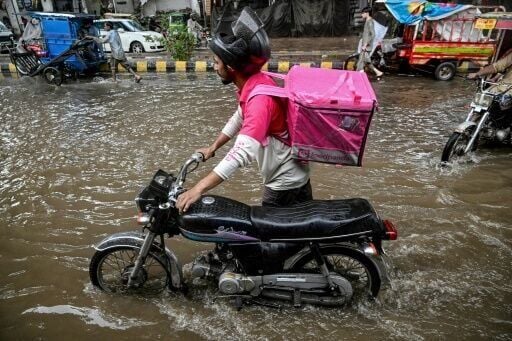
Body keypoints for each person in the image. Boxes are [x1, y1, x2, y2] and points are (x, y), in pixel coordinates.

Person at [176, 7, 312, 214]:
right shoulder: (258, 82)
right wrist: (213, 147)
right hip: (293, 173)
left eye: (216, 62)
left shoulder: (260, 99)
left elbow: (243, 152)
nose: (214, 67)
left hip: (284, 183)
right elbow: (239, 117)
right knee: (300, 234)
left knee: (268, 240)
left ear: (230, 67)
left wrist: (198, 188)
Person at [356, 6, 384, 80]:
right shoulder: (367, 21)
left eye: (362, 13)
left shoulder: (370, 21)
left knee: (361, 62)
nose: (361, 15)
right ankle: (378, 73)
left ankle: (359, 77)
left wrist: (365, 44)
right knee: (366, 61)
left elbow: (373, 34)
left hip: (366, 46)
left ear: (367, 13)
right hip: (365, 46)